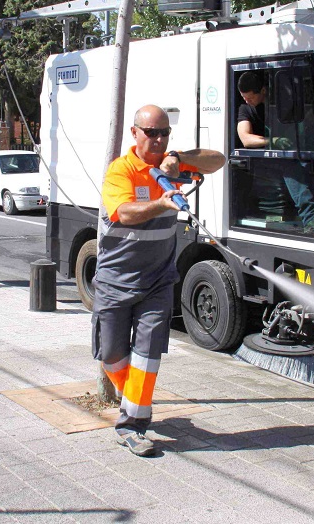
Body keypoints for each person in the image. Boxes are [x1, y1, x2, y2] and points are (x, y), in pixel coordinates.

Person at [93, 105, 225, 457]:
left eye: (164, 133)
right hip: (115, 280)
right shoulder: (120, 171)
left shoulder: (171, 163)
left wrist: (178, 158)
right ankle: (133, 402)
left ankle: (132, 425)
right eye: (151, 133)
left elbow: (218, 160)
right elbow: (123, 212)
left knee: (148, 355)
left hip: (157, 281)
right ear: (134, 133)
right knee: (112, 357)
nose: (158, 139)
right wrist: (161, 203)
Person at [236, 71, 314, 232]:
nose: (246, 100)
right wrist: (273, 141)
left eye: (250, 97)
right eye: (244, 97)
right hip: (260, 162)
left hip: (291, 154)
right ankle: (311, 219)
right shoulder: (244, 109)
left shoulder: (281, 105)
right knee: (289, 165)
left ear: (263, 91)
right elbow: (246, 139)